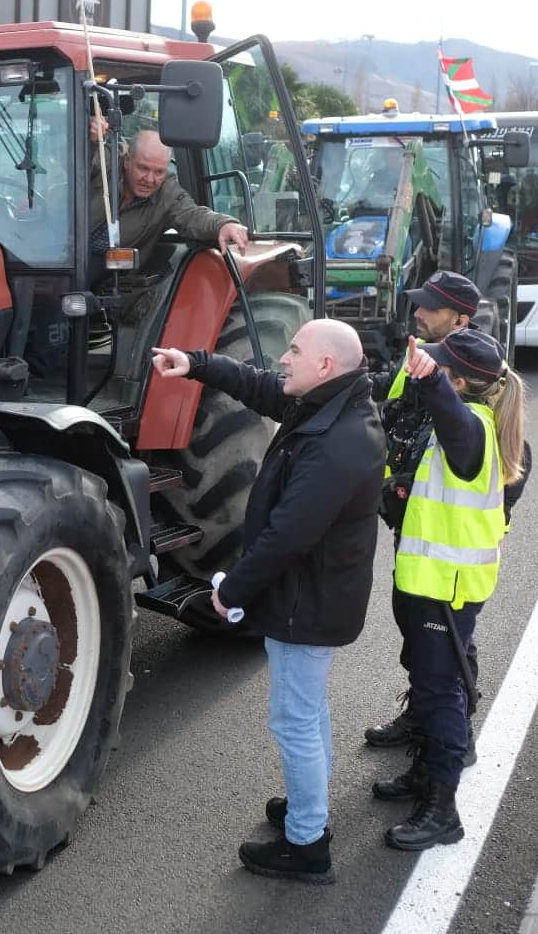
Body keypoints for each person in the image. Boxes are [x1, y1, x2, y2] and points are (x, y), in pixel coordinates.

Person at [152, 318, 385, 884]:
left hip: (307, 602)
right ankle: (312, 810)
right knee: (308, 712)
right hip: (310, 596)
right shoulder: (326, 406)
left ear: (325, 365)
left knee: (294, 720)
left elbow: (288, 535)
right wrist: (198, 363)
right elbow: (258, 385)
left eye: (295, 350)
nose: (284, 358)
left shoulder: (341, 442)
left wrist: (229, 591)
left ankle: (307, 845)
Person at [377, 328, 527, 852]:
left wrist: (433, 384)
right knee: (429, 681)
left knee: (442, 693)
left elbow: (452, 418)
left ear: (460, 381)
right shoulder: (477, 422)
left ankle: (443, 810)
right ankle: (424, 778)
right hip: (434, 580)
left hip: (448, 585)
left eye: (444, 367)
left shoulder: (474, 428)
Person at [365, 271, 485, 757]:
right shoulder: (420, 359)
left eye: (431, 307)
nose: (418, 313)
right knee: (417, 634)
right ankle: (423, 716)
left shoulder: (474, 375)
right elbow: (390, 400)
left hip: (449, 539)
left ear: (461, 318)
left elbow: (503, 465)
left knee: (449, 644)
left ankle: (456, 733)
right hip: (413, 526)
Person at [87, 121, 249, 271]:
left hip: (111, 272)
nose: (150, 179)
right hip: (68, 256)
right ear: (127, 161)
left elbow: (192, 215)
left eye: (159, 172)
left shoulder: (167, 192)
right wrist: (90, 140)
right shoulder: (105, 161)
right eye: (143, 168)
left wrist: (223, 224)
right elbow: (77, 164)